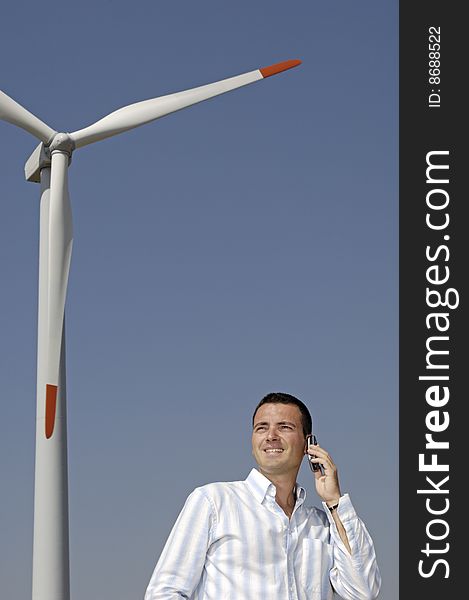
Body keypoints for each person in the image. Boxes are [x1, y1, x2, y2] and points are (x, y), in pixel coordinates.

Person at [144, 392, 381, 599]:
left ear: (308, 443)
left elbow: (363, 592)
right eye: (262, 427)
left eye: (285, 427)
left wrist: (334, 502)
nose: (271, 436)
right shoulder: (213, 501)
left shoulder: (322, 524)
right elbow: (164, 592)